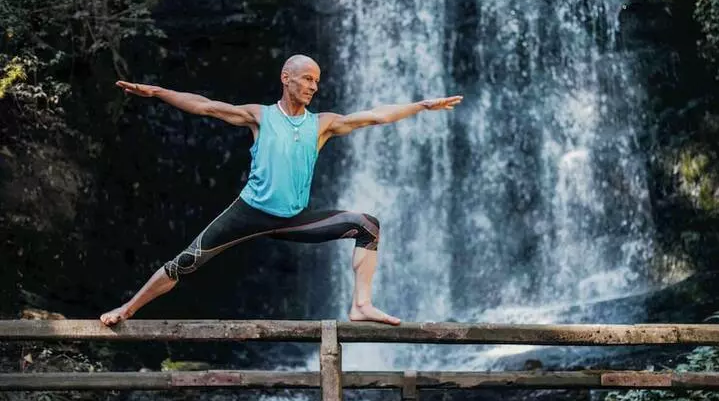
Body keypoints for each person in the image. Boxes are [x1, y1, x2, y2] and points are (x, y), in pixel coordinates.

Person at [99, 54, 462, 327]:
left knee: (367, 225)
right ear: (286, 78)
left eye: (316, 81)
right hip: (248, 213)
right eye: (306, 78)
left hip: (293, 219)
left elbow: (375, 115)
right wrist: (158, 91)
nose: (312, 86)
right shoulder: (260, 116)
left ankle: (361, 305)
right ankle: (127, 309)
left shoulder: (323, 124)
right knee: (187, 261)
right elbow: (206, 106)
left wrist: (420, 106)